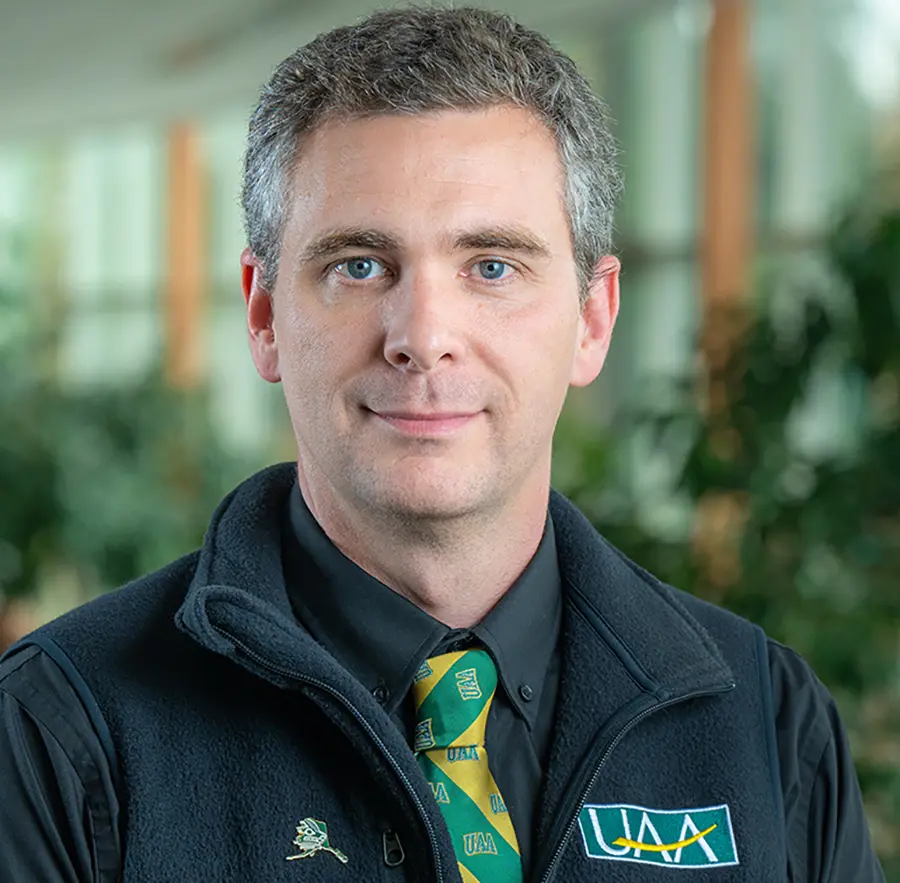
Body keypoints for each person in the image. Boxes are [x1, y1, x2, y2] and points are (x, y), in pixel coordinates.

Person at [0, 7, 885, 882]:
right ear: (264, 315)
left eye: (492, 266)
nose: (423, 335)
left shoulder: (767, 723)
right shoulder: (58, 731)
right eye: (359, 264)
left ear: (593, 317)